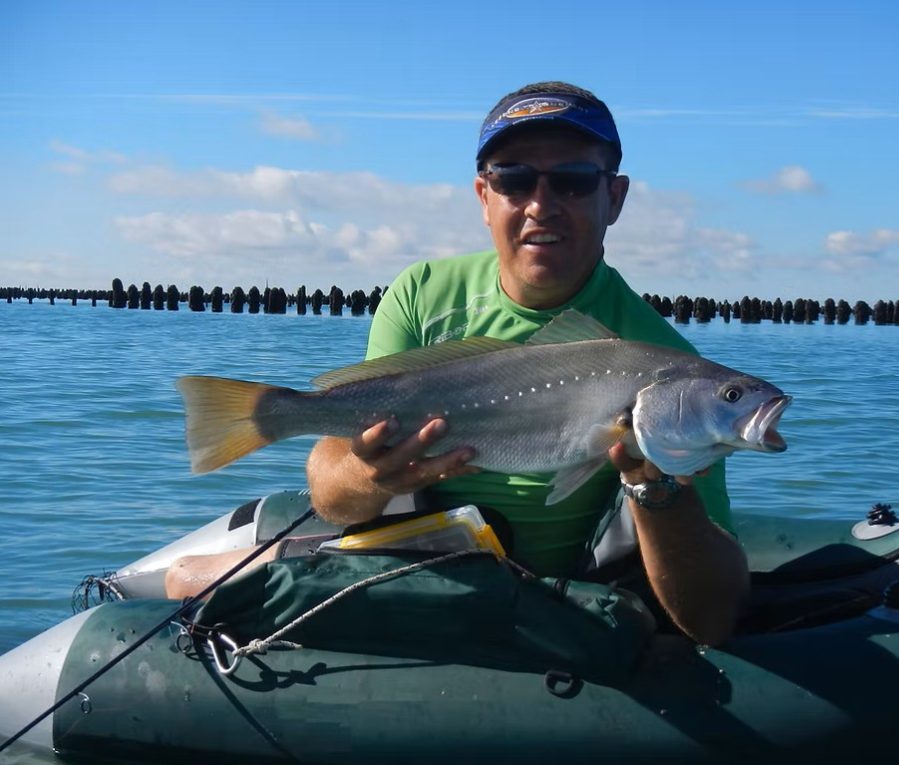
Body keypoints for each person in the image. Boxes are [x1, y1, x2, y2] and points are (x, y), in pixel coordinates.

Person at [166, 81, 749, 646]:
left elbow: (710, 620)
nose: (541, 205)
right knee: (184, 577)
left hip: (558, 595)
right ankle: (260, 420)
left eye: (572, 181)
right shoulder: (423, 293)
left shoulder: (669, 366)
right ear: (483, 196)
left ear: (614, 198)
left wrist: (656, 490)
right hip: (416, 559)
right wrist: (371, 473)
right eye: (514, 179)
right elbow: (335, 497)